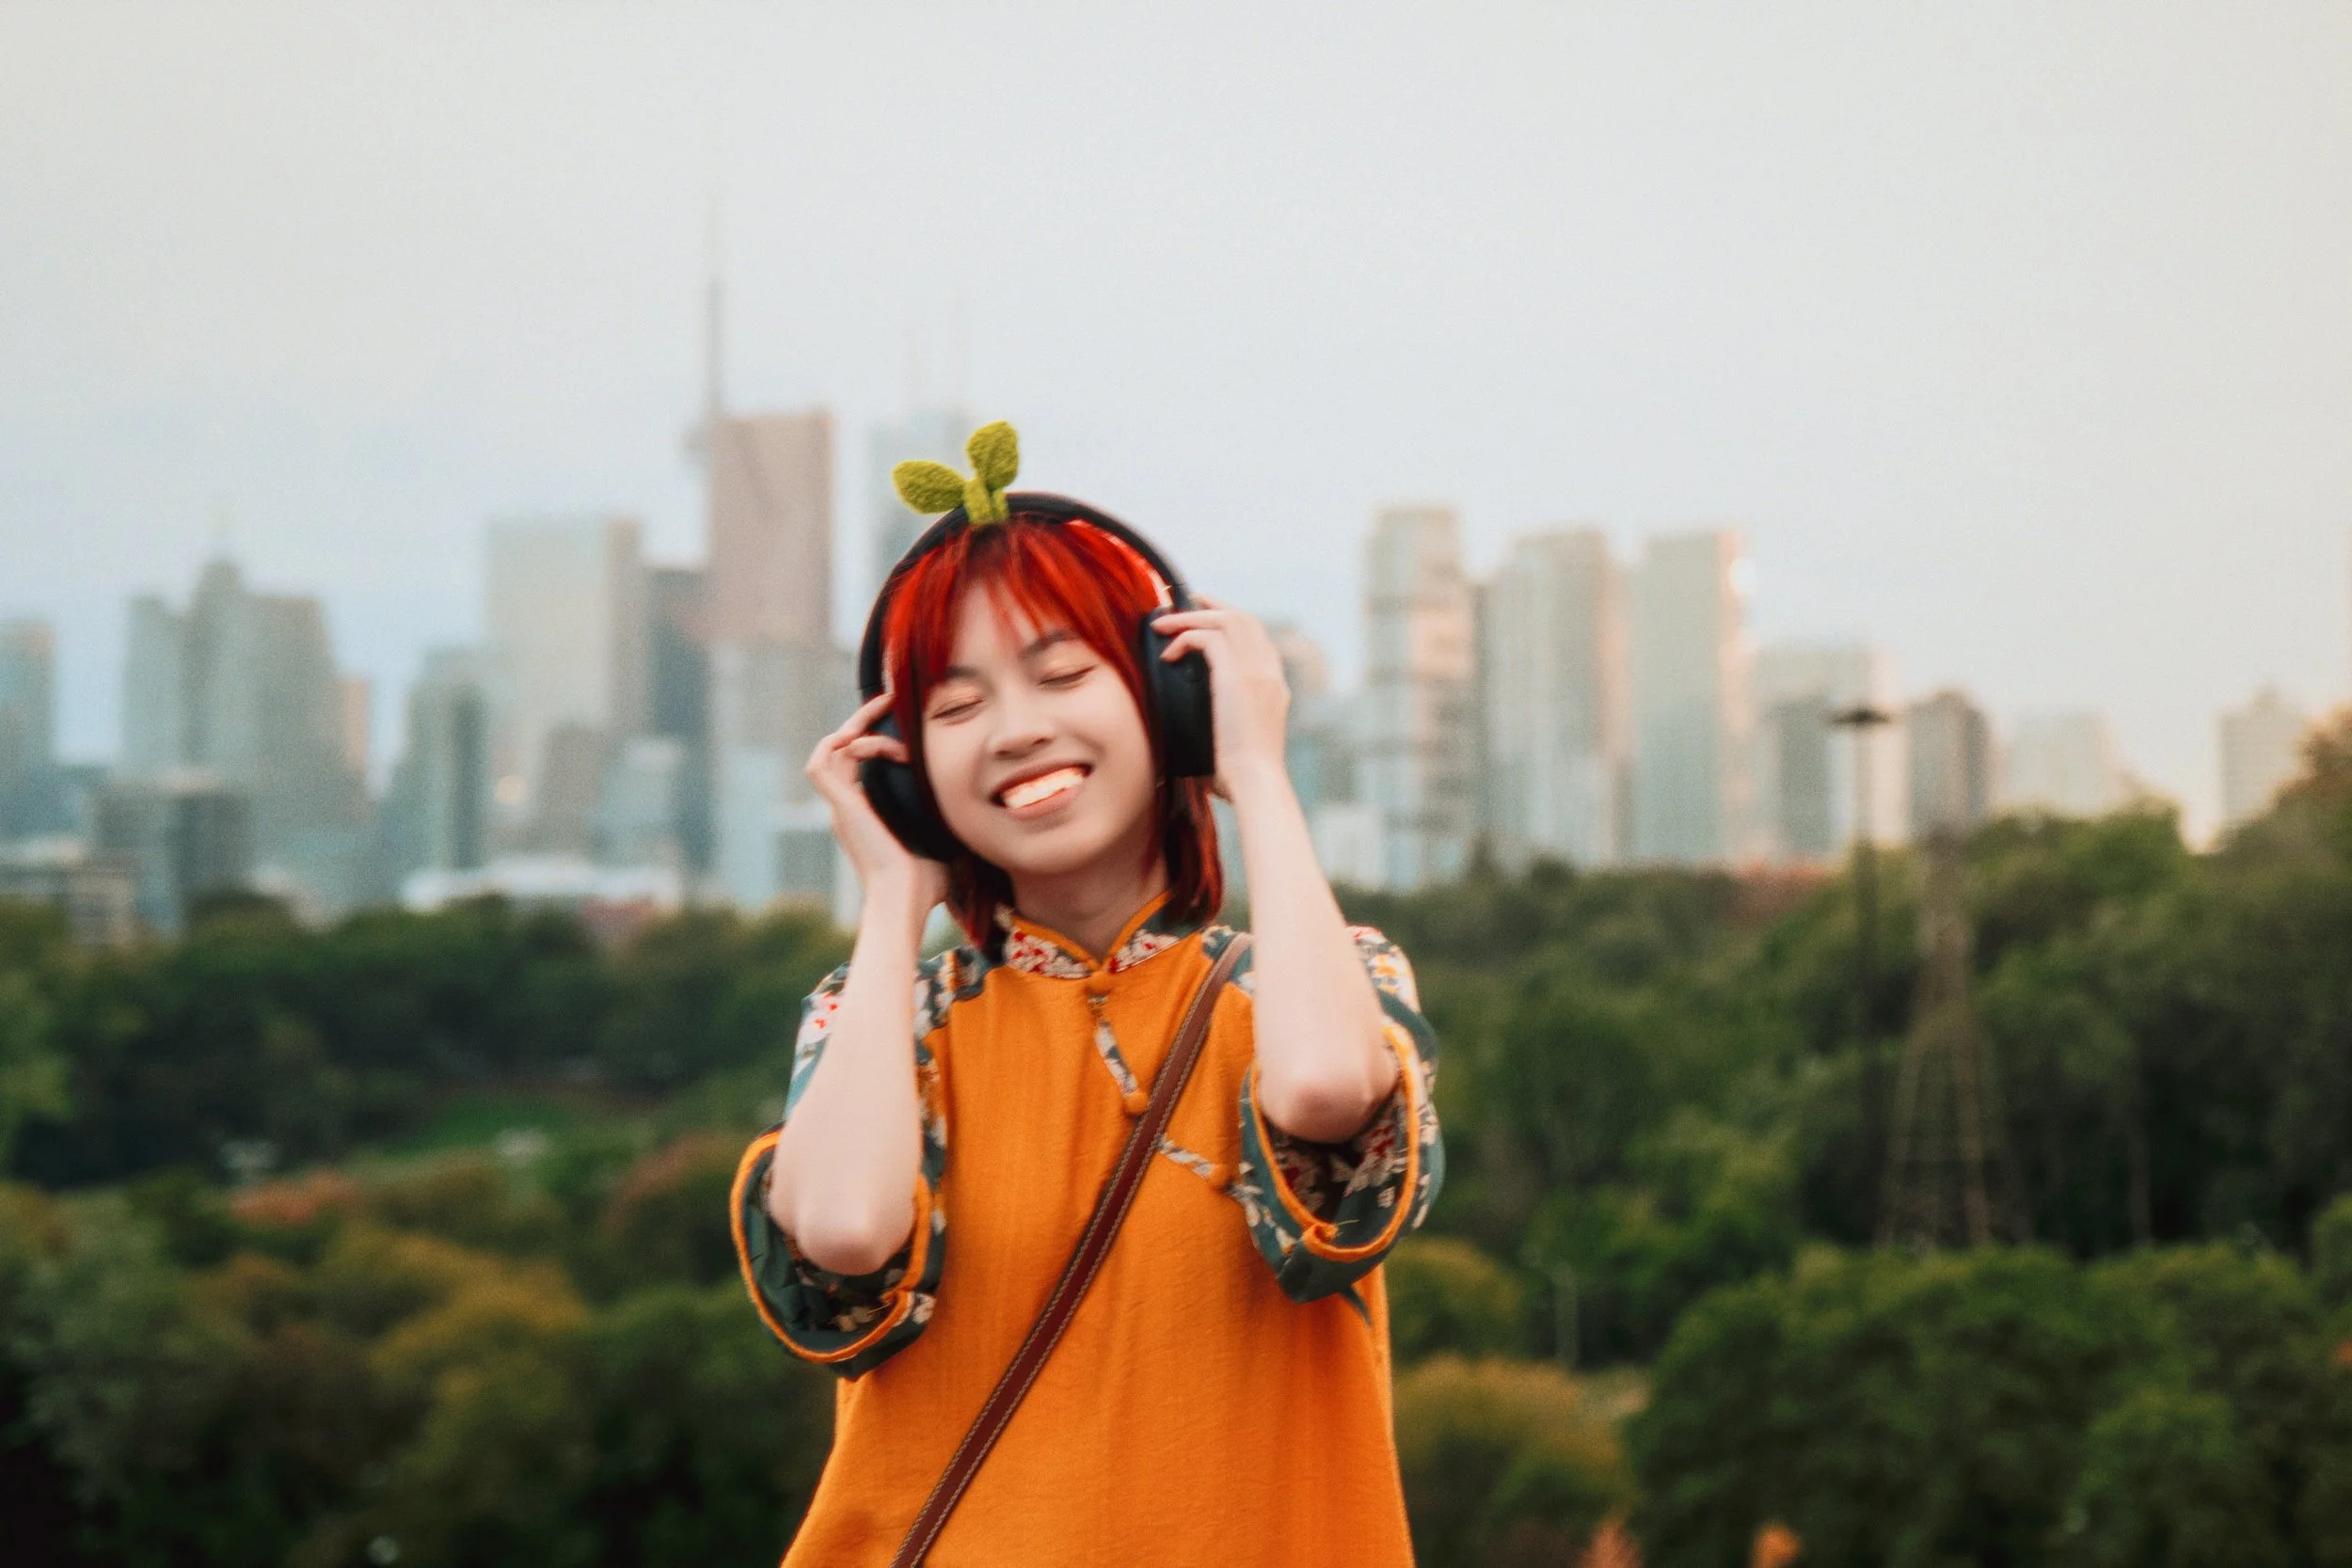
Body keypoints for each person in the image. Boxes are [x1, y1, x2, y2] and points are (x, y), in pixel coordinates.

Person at [730, 423, 1442, 1565]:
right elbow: (848, 1229)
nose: (1018, 730)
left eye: (1064, 674)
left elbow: (1317, 1089)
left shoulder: (1323, 984)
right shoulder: (885, 1022)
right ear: (907, 768)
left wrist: (1253, 768)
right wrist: (889, 901)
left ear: (1167, 704)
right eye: (955, 707)